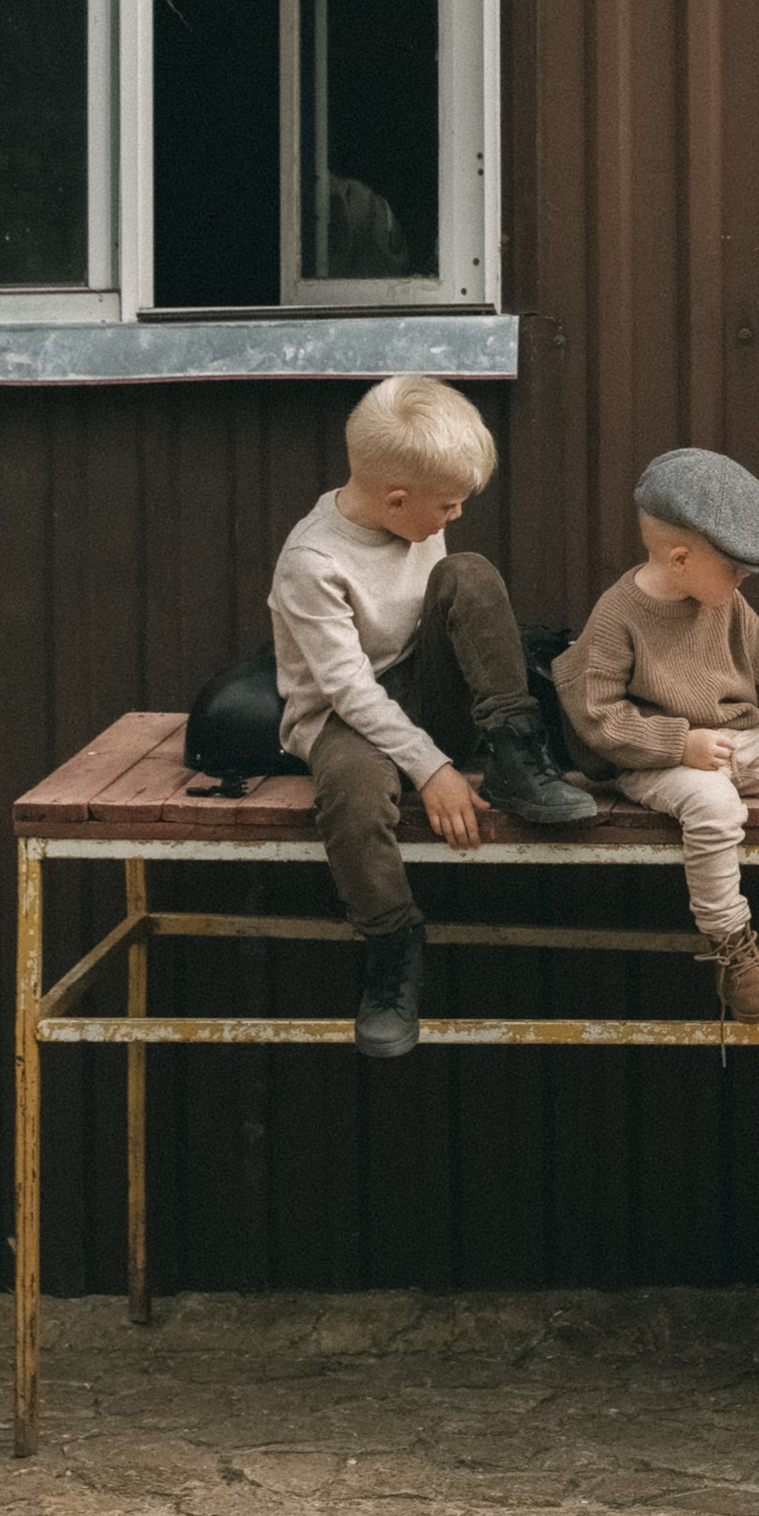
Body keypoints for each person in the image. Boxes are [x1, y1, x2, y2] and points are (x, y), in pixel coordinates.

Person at [268, 373, 597, 1062]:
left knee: (471, 572)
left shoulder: (414, 519)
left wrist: (450, 750)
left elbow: (439, 625)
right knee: (354, 793)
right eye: (447, 505)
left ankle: (515, 755)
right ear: (396, 499)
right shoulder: (312, 561)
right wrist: (433, 770)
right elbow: (351, 692)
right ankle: (392, 946)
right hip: (341, 718)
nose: (454, 516)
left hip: (422, 695)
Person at [553, 448, 759, 1019]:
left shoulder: (728, 604)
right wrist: (676, 743)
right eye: (733, 567)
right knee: (714, 810)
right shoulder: (618, 615)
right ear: (680, 559)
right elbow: (596, 715)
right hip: (661, 759)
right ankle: (732, 951)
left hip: (742, 739)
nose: (743, 578)